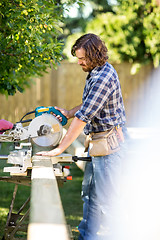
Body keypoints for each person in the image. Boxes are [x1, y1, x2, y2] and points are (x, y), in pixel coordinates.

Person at [37, 33, 128, 240]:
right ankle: (87, 237)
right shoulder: (97, 72)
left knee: (109, 202)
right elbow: (89, 106)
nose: (79, 62)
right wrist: (68, 113)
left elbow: (83, 118)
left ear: (95, 55)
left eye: (82, 59)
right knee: (90, 196)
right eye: (78, 58)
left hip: (108, 146)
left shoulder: (103, 78)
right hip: (97, 144)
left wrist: (59, 148)